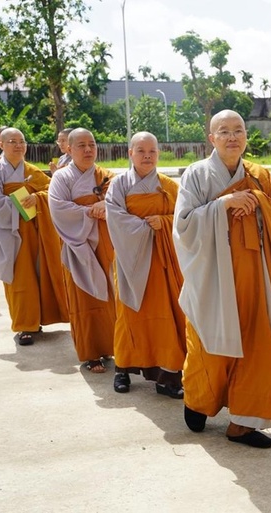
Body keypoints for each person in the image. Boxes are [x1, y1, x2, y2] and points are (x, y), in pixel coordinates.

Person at [173, 109, 271, 449]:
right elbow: (183, 226)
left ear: (246, 136)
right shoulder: (197, 175)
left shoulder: (259, 177)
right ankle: (199, 399)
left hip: (255, 275)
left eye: (238, 130)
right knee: (209, 344)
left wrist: (258, 203)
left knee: (256, 345)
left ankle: (244, 423)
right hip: (213, 274)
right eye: (224, 131)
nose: (232, 137)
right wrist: (224, 204)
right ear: (211, 138)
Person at [105, 131, 186, 398]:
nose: (147, 156)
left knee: (166, 317)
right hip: (131, 260)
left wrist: (163, 222)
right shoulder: (118, 185)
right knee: (129, 316)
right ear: (130, 153)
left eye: (152, 151)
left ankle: (167, 377)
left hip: (162, 262)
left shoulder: (169, 187)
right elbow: (114, 218)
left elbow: (186, 219)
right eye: (141, 151)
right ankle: (123, 368)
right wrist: (144, 226)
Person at [0, 127, 69, 344]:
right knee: (20, 279)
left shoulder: (32, 170)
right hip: (10, 232)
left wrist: (38, 199)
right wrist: (19, 201)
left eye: (22, 141)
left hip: (36, 231)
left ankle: (41, 318)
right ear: (1, 144)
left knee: (39, 274)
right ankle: (24, 326)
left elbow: (52, 191)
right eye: (12, 141)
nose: (18, 145)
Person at [49, 128, 116, 373]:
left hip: (105, 244)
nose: (88, 150)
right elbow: (58, 209)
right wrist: (91, 209)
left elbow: (120, 203)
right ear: (69, 149)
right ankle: (91, 353)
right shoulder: (61, 178)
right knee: (83, 298)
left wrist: (105, 205)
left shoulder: (106, 175)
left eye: (92, 144)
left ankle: (111, 345)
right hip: (77, 245)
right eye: (81, 145)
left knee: (109, 296)